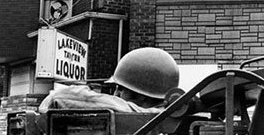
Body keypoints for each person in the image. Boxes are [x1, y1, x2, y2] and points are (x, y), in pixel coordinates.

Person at [38, 47, 180, 113]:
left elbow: (60, 97)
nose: (116, 94)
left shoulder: (138, 116)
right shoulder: (166, 118)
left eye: (120, 88)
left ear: (140, 95)